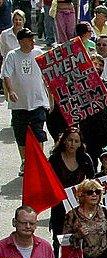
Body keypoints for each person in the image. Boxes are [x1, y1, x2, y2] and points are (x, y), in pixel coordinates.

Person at [2, 28, 48, 174]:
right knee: (21, 134)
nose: (33, 41)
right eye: (29, 39)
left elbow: (50, 67)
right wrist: (10, 91)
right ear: (21, 41)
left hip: (37, 101)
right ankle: (25, 161)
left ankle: (39, 161)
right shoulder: (12, 55)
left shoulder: (39, 53)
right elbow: (6, 75)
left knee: (38, 133)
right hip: (19, 104)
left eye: (33, 39)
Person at [48, 126, 95, 252]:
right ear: (64, 140)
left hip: (78, 204)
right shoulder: (55, 159)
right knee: (58, 238)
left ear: (80, 143)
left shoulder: (85, 159)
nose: (72, 144)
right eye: (69, 140)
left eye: (76, 141)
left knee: (79, 236)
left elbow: (92, 181)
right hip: (59, 204)